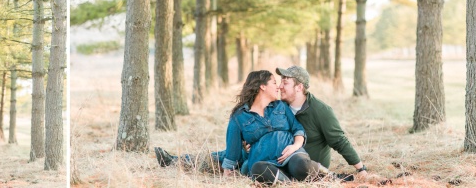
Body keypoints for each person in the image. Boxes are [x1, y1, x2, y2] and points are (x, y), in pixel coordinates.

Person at [155, 66, 367, 180]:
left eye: (285, 82)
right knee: (230, 154)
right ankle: (176, 161)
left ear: (299, 87)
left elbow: (338, 140)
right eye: (278, 82)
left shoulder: (318, 111)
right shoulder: (264, 109)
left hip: (299, 159)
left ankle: (326, 176)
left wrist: (361, 169)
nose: (281, 86)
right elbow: (235, 145)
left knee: (236, 156)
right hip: (264, 156)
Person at [225, 70, 320, 184]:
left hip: (291, 155)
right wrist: (228, 171)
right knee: (257, 170)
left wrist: (295, 146)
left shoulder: (281, 105)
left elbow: (297, 129)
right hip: (264, 161)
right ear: (263, 86)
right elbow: (232, 150)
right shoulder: (239, 116)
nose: (278, 87)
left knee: (302, 165)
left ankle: (328, 174)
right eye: (274, 83)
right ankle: (289, 183)